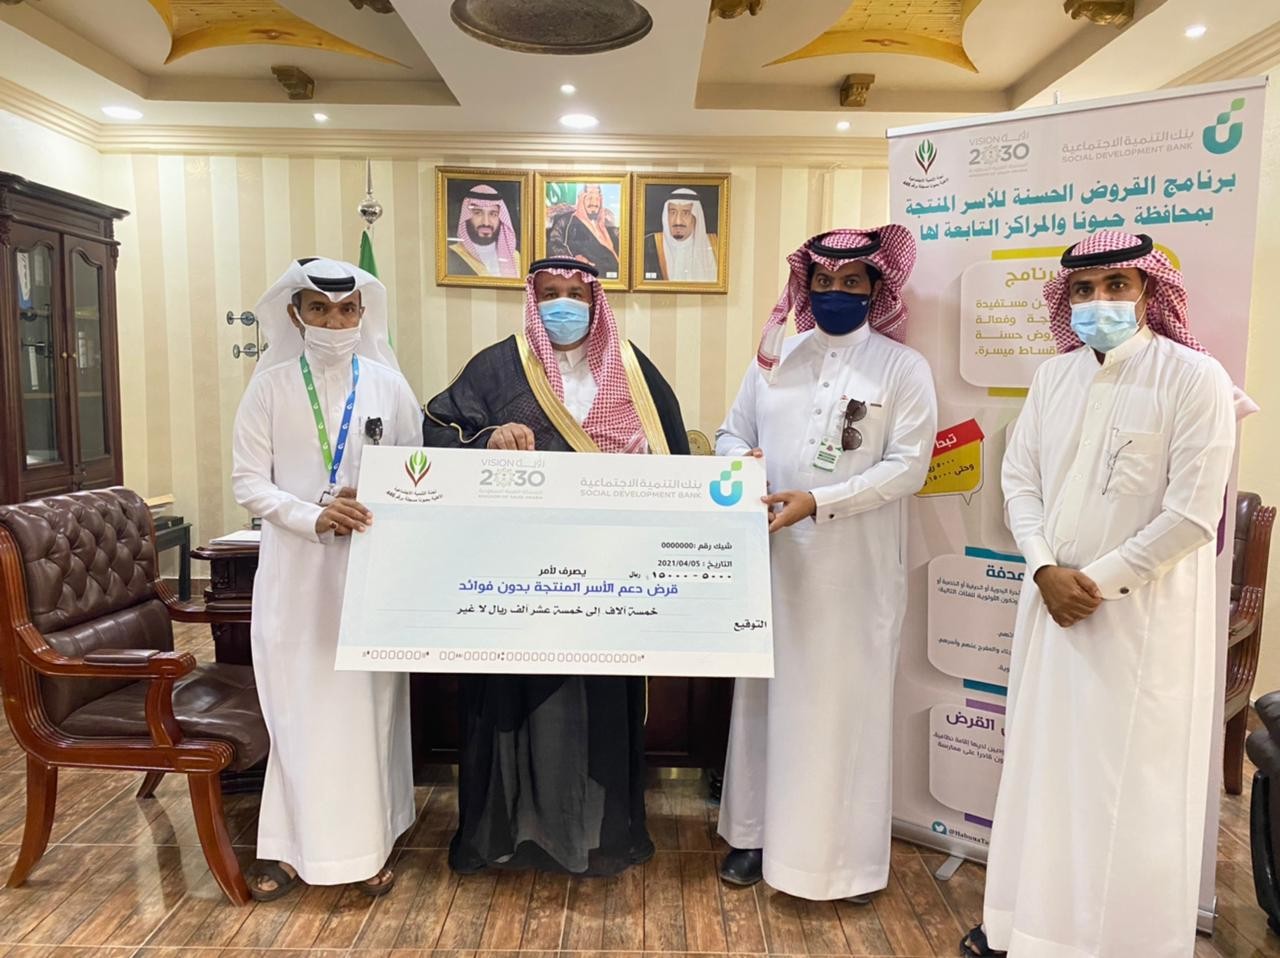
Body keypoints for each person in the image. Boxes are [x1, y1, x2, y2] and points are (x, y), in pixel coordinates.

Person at [962, 231, 1238, 958]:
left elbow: (1192, 514)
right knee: (1045, 775)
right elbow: (1019, 481)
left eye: (1117, 285)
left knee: (1126, 787)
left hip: (1138, 620)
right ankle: (1026, 930)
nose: (1098, 302)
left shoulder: (1194, 377)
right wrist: (1044, 568)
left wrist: (1096, 583)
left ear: (1149, 291)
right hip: (1049, 604)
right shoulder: (1053, 378)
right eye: (1083, 290)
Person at [423, 256, 689, 875]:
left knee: (597, 699)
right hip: (517, 573)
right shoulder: (497, 367)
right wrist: (488, 439)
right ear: (532, 299)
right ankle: (512, 834)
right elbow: (435, 432)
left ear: (596, 303)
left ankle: (599, 838)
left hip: (607, 573)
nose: (564, 304)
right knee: (516, 698)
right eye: (550, 293)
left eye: (576, 293)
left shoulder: (632, 369)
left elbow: (675, 458)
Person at [715, 228, 937, 901]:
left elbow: (909, 468)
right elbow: (731, 432)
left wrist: (819, 502)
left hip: (854, 573)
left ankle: (842, 861)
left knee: (842, 711)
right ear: (806, 286)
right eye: (824, 282)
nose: (835, 292)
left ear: (875, 288)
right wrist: (744, 467)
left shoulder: (903, 368)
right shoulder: (775, 358)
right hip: (774, 565)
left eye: (851, 282)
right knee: (766, 700)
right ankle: (753, 834)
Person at [231, 257, 423, 901]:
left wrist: (377, 502)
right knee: (301, 710)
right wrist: (311, 515)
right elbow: (248, 483)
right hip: (296, 576)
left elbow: (418, 471)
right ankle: (291, 849)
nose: (334, 322)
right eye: (319, 309)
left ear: (363, 314)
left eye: (346, 310)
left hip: (370, 573)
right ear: (295, 314)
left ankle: (369, 845)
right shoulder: (269, 388)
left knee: (366, 711)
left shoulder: (390, 386)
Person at [642, 187, 719, 282]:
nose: (678, 221)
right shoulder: (648, 245)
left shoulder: (716, 246)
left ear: (696, 217)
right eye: (672, 212)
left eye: (685, 213)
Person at [546, 184, 621, 278]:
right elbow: (553, 244)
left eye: (597, 199)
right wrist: (573, 259)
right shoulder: (566, 221)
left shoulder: (607, 224)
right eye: (589, 198)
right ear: (581, 199)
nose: (594, 203)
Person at [447, 184, 521, 277]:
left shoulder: (515, 257)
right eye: (478, 213)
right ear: (466, 216)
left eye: (493, 214)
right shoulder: (451, 255)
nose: (486, 222)